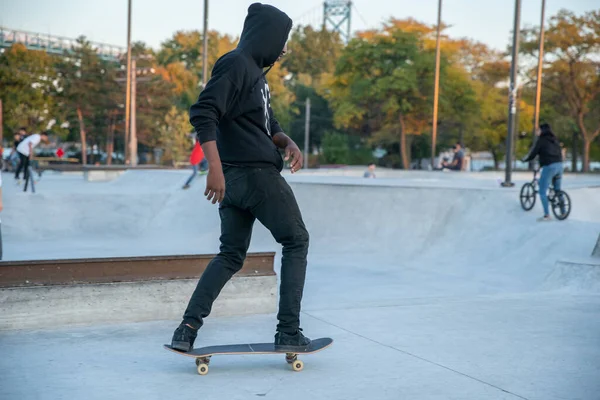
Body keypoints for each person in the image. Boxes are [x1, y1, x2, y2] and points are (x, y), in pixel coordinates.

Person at [170, 3, 311, 353]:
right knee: (296, 241)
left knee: (231, 255)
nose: (284, 50)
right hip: (253, 176)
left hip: (236, 181)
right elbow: (204, 112)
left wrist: (286, 141)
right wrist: (213, 168)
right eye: (282, 42)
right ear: (267, 37)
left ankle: (186, 330)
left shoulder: (255, 77)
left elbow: (267, 125)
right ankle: (289, 332)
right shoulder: (236, 64)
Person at [522, 123, 564, 221]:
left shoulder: (541, 140)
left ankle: (547, 215)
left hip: (549, 166)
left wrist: (525, 159)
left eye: (538, 130)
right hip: (559, 165)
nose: (537, 132)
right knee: (557, 190)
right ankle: (563, 211)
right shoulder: (555, 140)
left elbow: (533, 153)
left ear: (543, 130)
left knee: (542, 191)